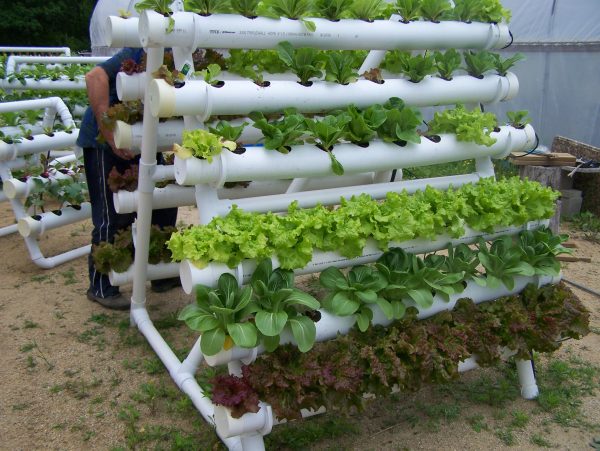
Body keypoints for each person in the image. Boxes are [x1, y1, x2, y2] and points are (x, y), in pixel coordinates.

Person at [77, 48, 178, 310]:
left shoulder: (188, 60)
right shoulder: (143, 49)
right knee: (112, 214)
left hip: (143, 139)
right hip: (104, 141)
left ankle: (160, 274)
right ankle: (100, 286)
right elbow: (94, 77)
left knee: (163, 205)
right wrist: (109, 132)